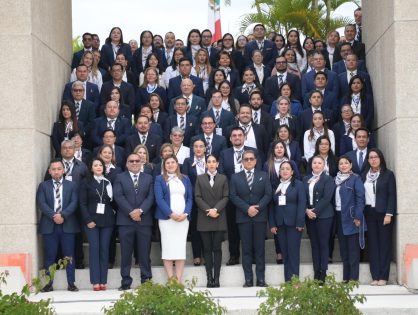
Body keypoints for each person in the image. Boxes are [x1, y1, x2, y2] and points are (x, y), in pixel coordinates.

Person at [230, 150, 272, 287]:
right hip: (243, 217)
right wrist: (247, 208)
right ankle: (248, 279)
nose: (248, 161)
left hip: (260, 218)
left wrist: (257, 208)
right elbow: (233, 196)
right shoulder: (235, 177)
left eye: (251, 159)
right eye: (246, 159)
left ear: (255, 161)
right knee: (246, 249)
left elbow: (268, 195)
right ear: (242, 162)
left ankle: (261, 279)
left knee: (260, 249)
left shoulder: (264, 176)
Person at [113, 153, 155, 290]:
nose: (135, 163)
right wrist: (131, 212)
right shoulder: (120, 177)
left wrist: (140, 211)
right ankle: (125, 282)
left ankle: (146, 280)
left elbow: (151, 197)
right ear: (126, 163)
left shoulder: (148, 178)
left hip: (144, 220)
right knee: (126, 253)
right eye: (131, 161)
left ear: (141, 163)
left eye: (137, 161)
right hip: (126, 221)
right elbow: (118, 196)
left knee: (144, 253)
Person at [37, 159, 79, 292]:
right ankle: (49, 284)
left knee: (69, 255)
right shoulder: (43, 186)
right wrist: (54, 215)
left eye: (58, 169)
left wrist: (63, 215)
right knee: (50, 255)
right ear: (49, 171)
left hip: (67, 224)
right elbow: (41, 203)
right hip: (50, 224)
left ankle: (71, 283)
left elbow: (74, 202)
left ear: (63, 170)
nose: (56, 171)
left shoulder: (71, 185)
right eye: (53, 169)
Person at [154, 156, 193, 282]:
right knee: (168, 248)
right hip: (167, 220)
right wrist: (170, 214)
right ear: (164, 165)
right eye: (167, 163)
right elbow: (159, 199)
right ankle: (171, 279)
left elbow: (190, 198)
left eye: (173, 162)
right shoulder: (159, 179)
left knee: (180, 248)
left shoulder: (185, 179)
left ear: (177, 164)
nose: (170, 165)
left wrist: (185, 213)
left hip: (183, 220)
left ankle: (179, 280)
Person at [362, 149, 396, 286]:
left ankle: (383, 276)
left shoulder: (388, 175)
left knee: (384, 245)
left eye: (376, 157)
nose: (373, 159)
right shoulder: (364, 175)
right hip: (369, 213)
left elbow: (391, 195)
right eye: (371, 157)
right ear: (368, 160)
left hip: (383, 214)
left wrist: (389, 213)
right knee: (373, 245)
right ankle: (375, 276)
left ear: (380, 158)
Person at [79, 158, 115, 291]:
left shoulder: (108, 182)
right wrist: (88, 220)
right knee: (94, 249)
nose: (99, 167)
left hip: (107, 221)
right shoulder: (86, 182)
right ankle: (95, 281)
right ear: (91, 168)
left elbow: (112, 202)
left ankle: (103, 281)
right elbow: (82, 203)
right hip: (91, 222)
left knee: (104, 249)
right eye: (96, 165)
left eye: (101, 165)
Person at [195, 154, 229, 287]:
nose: (211, 164)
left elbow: (226, 196)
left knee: (217, 248)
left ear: (218, 164)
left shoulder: (223, 178)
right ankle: (209, 278)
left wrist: (216, 210)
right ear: (205, 164)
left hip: (219, 217)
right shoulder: (200, 178)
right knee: (207, 249)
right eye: (208, 162)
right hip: (205, 217)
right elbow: (197, 197)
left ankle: (217, 278)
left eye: (213, 161)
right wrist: (208, 210)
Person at [270, 161, 306, 282]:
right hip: (280, 224)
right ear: (279, 172)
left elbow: (302, 204)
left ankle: (295, 281)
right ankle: (288, 281)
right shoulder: (275, 186)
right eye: (282, 169)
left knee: (293, 253)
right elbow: (272, 206)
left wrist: (300, 223)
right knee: (285, 253)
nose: (285, 171)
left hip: (294, 224)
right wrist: (272, 224)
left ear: (292, 172)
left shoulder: (299, 185)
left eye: (287, 169)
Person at [303, 156, 335, 283]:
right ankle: (316, 271)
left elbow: (327, 198)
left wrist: (314, 212)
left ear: (324, 165)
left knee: (323, 244)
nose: (316, 165)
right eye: (314, 162)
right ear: (311, 165)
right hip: (309, 215)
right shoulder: (306, 179)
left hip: (324, 216)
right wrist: (306, 210)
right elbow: (302, 196)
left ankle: (323, 272)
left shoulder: (328, 179)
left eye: (319, 163)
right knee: (314, 245)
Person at [335, 155, 366, 282]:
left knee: (353, 250)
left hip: (352, 217)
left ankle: (353, 278)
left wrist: (358, 216)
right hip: (338, 216)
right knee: (343, 249)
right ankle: (345, 278)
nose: (343, 165)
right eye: (341, 163)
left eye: (346, 163)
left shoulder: (355, 179)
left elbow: (360, 198)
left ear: (351, 165)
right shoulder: (335, 180)